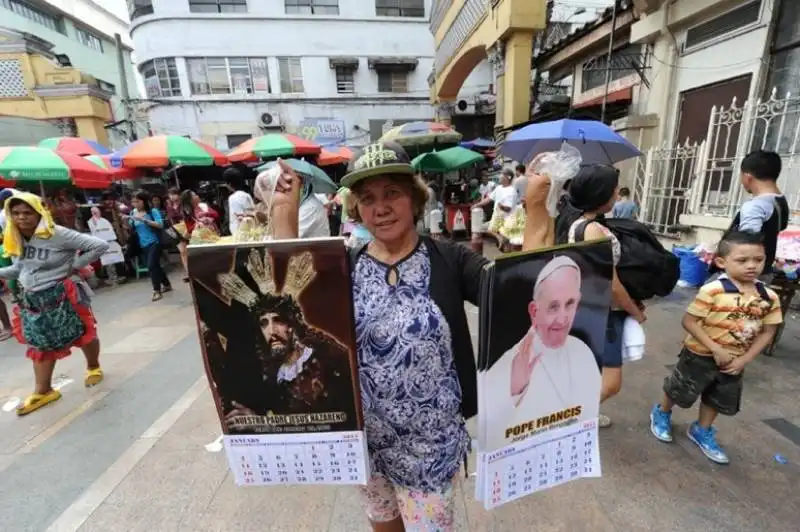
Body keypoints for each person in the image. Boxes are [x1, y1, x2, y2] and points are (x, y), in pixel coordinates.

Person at [268, 140, 532, 531]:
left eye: (393, 193)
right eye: (368, 198)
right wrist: (283, 209)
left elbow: (520, 294)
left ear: (414, 198)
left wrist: (541, 206)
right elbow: (289, 290)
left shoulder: (450, 259)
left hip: (431, 445)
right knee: (384, 526)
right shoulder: (345, 264)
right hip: (366, 442)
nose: (381, 207)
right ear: (356, 208)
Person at [649, 231, 782, 464]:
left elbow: (768, 332)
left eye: (758, 260)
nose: (751, 266)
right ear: (721, 262)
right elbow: (689, 321)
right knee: (679, 389)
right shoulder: (713, 290)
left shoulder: (769, 296)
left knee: (718, 397)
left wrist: (744, 360)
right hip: (699, 355)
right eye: (742, 260)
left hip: (735, 361)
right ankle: (662, 412)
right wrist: (715, 349)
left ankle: (701, 429)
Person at [216, 248, 357, 432]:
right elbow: (284, 424)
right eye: (264, 324)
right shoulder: (273, 374)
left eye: (278, 321)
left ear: (292, 325)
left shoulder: (327, 354)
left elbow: (349, 411)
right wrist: (257, 421)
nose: (271, 331)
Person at [0, 191, 108, 415]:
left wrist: (75, 264)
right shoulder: (15, 236)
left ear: (39, 213)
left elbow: (99, 245)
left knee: (83, 331)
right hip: (32, 298)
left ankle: (93, 366)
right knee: (39, 343)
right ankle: (44, 390)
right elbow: (20, 268)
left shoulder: (57, 234)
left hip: (63, 293)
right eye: (16, 213)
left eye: (27, 213)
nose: (22, 218)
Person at [482, 255, 600, 451]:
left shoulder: (583, 352)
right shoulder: (513, 361)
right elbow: (491, 430)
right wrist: (514, 390)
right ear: (534, 311)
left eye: (569, 304)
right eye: (553, 307)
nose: (562, 319)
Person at [561, 165, 646, 428]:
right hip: (604, 311)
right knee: (611, 383)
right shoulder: (594, 230)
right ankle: (572, 418)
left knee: (590, 368)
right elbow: (612, 284)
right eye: (614, 191)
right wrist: (635, 311)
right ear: (602, 194)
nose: (616, 195)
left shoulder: (579, 224)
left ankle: (578, 412)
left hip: (588, 307)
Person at [720, 150, 788, 280]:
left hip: (743, 276)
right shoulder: (780, 201)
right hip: (764, 271)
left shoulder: (755, 206)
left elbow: (746, 245)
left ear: (747, 177)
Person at [128, 190, 172, 301]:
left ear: (144, 201)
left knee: (151, 265)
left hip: (154, 241)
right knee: (155, 265)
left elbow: (160, 224)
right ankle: (166, 284)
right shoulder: (133, 212)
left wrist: (144, 220)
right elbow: (131, 227)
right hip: (142, 243)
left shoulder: (152, 211)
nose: (135, 204)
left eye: (137, 201)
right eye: (133, 202)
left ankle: (156, 290)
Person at [87, 206, 123, 285]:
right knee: (107, 261)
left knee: (113, 260)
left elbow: (110, 231)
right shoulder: (91, 221)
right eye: (93, 212)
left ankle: (115, 277)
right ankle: (112, 278)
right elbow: (95, 230)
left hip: (110, 243)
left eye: (97, 211)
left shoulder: (104, 220)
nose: (96, 213)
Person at [225, 167, 255, 237]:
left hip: (240, 233)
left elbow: (239, 217)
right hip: (251, 231)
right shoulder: (247, 195)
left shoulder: (233, 198)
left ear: (229, 183)